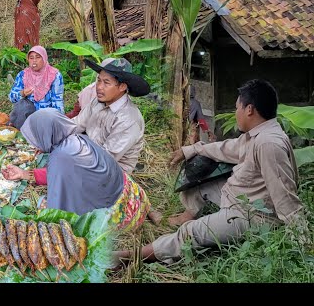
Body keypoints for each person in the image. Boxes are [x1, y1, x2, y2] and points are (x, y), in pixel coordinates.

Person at [114, 79, 305, 265]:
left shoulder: (268, 143)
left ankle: (129, 256)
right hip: (237, 197)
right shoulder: (256, 135)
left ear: (249, 110)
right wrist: (191, 150)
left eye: (237, 107)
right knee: (199, 179)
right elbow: (226, 148)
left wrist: (302, 244)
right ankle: (186, 215)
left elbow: (284, 195)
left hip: (251, 215)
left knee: (190, 233)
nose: (236, 112)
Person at [2, 109, 151, 231]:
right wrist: (22, 174)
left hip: (121, 216)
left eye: (35, 137)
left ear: (46, 134)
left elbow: (59, 211)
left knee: (43, 207)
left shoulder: (62, 157)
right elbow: (61, 174)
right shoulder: (78, 139)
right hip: (135, 198)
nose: (33, 143)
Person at [8, 46, 64, 127]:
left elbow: (57, 100)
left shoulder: (54, 75)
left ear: (44, 58)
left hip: (46, 115)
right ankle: (21, 132)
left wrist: (60, 121)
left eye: (38, 57)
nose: (34, 61)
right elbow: (11, 97)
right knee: (22, 106)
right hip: (26, 116)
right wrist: (22, 93)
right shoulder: (23, 75)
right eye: (31, 58)